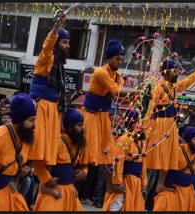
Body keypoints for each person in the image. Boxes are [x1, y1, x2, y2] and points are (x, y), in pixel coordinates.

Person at [143, 60, 195, 196]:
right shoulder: (158, 88)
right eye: (174, 71)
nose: (177, 73)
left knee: (168, 156)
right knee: (154, 157)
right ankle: (144, 187)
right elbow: (150, 109)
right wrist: (144, 129)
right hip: (159, 125)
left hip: (170, 126)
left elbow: (188, 81)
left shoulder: (175, 87)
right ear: (166, 72)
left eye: (177, 71)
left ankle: (160, 185)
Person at [28, 10, 70, 198]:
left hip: (53, 108)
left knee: (49, 148)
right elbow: (48, 43)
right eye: (64, 42)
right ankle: (42, 179)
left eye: (68, 42)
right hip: (41, 105)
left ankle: (44, 180)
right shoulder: (46, 58)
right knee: (37, 146)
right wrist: (57, 26)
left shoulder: (60, 64)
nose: (67, 46)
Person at [80, 39, 125, 195]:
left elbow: (120, 98)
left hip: (103, 117)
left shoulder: (119, 76)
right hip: (91, 116)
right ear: (109, 57)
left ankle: (111, 186)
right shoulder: (100, 72)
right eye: (117, 59)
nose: (119, 62)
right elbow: (117, 93)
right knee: (85, 152)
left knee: (110, 152)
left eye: (121, 59)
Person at [0, 93, 36, 211]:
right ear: (19, 119)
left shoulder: (27, 137)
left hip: (8, 189)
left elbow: (25, 161)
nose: (34, 125)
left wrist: (23, 170)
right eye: (31, 120)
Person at [33, 108, 87, 211]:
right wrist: (47, 180)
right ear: (70, 127)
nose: (82, 129)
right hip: (52, 190)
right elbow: (39, 162)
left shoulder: (78, 143)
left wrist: (83, 172)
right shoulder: (57, 141)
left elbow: (83, 164)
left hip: (70, 189)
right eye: (79, 125)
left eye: (82, 125)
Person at [102, 109, 147, 211]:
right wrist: (117, 182)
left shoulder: (141, 141)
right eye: (138, 122)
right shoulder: (124, 140)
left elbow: (143, 164)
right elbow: (118, 162)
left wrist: (144, 183)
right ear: (131, 124)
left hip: (136, 183)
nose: (141, 126)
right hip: (125, 181)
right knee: (117, 205)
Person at [153, 126, 195, 211]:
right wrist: (160, 184)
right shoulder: (177, 150)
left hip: (188, 193)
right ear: (189, 139)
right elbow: (165, 166)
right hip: (172, 189)